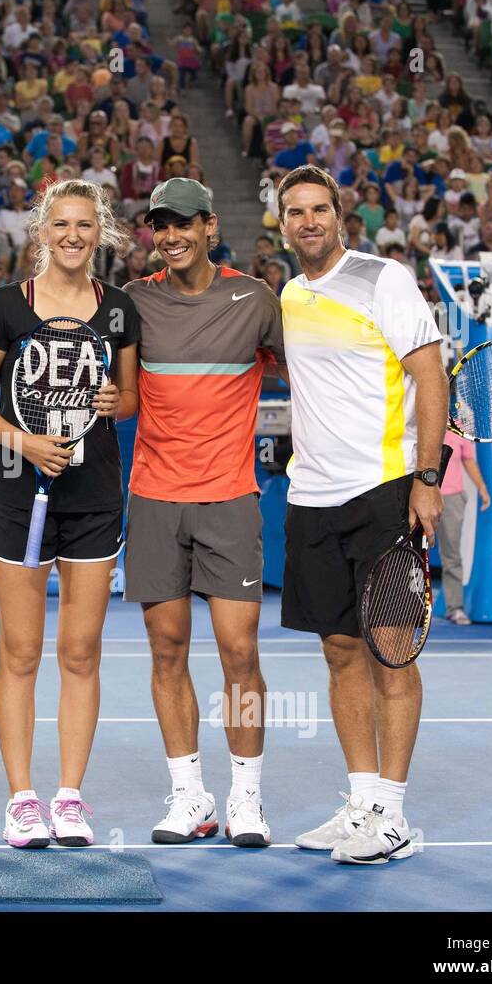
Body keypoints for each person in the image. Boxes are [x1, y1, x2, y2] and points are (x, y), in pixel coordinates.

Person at [276, 166, 449, 865]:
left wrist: (428, 478)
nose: (308, 221)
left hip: (383, 490)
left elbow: (430, 373)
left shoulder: (384, 279)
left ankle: (395, 816)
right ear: (281, 223)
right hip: (311, 498)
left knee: (391, 651)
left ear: (339, 214)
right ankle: (360, 805)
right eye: (295, 212)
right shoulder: (289, 294)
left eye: (319, 209)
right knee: (339, 651)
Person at [0, 179, 139, 848]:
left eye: (85, 226)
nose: (72, 236)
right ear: (41, 230)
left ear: (100, 233)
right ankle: (21, 800)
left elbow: (128, 400)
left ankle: (68, 797)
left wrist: (112, 401)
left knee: (81, 651)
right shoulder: (7, 306)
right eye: (61, 224)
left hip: (94, 498)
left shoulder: (117, 310)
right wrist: (23, 439)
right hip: (18, 491)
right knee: (21, 651)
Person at [122, 178, 285, 848]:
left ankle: (245, 797)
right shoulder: (134, 301)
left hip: (229, 499)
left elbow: (308, 369)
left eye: (185, 222)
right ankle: (190, 794)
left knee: (239, 651)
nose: (174, 234)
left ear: (211, 226)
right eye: (162, 224)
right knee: (167, 651)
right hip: (156, 499)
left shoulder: (256, 299)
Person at [437, 429, 491, 626]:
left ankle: (455, 608)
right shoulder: (414, 423)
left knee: (452, 555)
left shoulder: (459, 430)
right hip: (419, 495)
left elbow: (469, 460)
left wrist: (482, 489)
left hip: (452, 498)